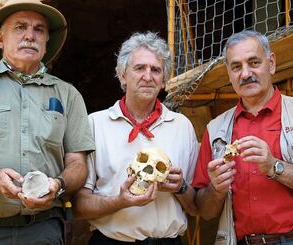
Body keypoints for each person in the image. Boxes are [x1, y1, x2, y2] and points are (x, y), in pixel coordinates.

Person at [0, 0, 94, 244]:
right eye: (20, 27)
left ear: (46, 42)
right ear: (1, 39)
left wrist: (58, 184)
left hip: (44, 231)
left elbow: (77, 163)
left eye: (39, 29)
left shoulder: (68, 94)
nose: (30, 36)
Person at [193, 30, 293, 245]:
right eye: (236, 66)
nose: (245, 73)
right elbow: (204, 210)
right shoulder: (215, 129)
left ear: (271, 63)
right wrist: (215, 189)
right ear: (229, 74)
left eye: (254, 62)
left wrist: (276, 167)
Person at [74, 32, 199, 245]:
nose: (148, 76)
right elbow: (78, 206)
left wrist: (181, 187)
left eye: (156, 70)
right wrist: (119, 201)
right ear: (123, 75)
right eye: (140, 68)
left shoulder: (182, 126)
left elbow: (196, 206)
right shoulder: (95, 124)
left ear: (163, 81)